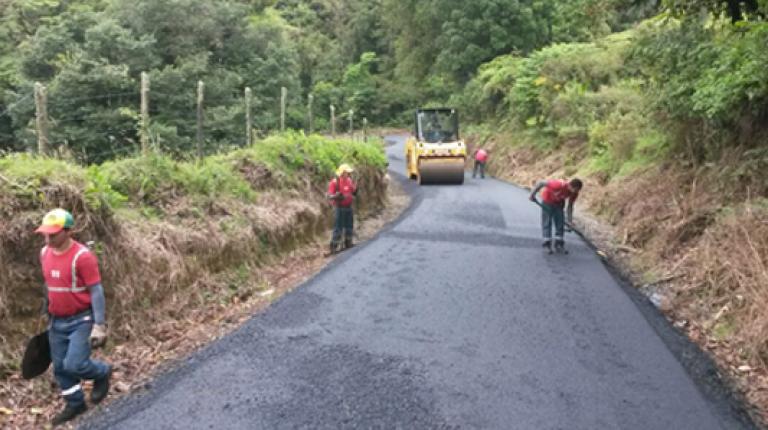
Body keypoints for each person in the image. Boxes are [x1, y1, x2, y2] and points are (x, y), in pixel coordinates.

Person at [35, 208, 112, 426]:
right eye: (46, 234)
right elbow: (50, 284)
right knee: (60, 368)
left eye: (54, 234)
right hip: (56, 321)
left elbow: (96, 290)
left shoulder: (83, 257)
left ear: (68, 231)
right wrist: (47, 309)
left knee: (74, 364)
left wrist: (99, 324)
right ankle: (75, 402)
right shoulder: (44, 253)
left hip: (81, 319)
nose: (48, 238)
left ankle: (102, 372)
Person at [529, 178, 583, 250]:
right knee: (547, 220)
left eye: (578, 190)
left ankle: (559, 240)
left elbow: (570, 206)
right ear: (570, 186)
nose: (576, 192)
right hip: (547, 200)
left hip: (559, 203)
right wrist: (532, 194)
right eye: (575, 189)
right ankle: (547, 239)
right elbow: (541, 183)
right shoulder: (558, 185)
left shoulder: (574, 193)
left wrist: (570, 220)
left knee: (560, 220)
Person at [327, 164, 357, 254]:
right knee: (338, 227)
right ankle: (334, 246)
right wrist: (336, 196)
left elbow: (353, 191)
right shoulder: (335, 182)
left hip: (348, 207)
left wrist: (355, 190)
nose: (348, 174)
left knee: (349, 225)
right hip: (339, 207)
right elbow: (329, 196)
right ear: (342, 173)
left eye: (348, 172)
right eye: (346, 172)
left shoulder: (349, 181)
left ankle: (348, 242)